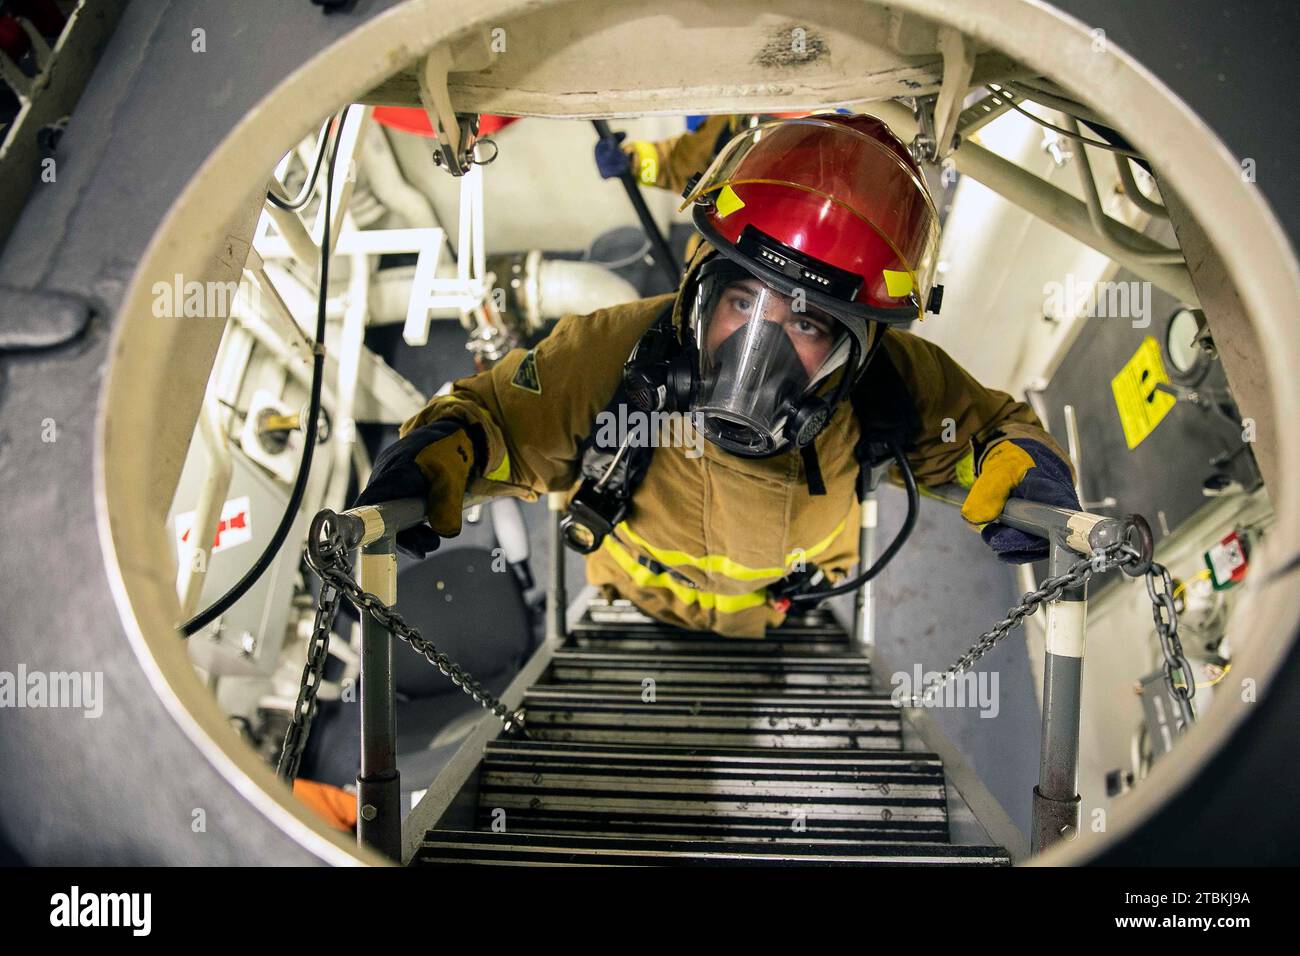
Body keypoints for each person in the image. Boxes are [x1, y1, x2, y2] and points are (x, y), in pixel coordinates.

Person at [356, 113, 1080, 639]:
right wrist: (444, 450)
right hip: (638, 601)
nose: (757, 352)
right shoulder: (615, 351)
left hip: (774, 606)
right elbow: (500, 421)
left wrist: (1024, 468)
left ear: (854, 349)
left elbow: (989, 429)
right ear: (698, 291)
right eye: (742, 302)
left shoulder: (885, 382)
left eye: (805, 324)